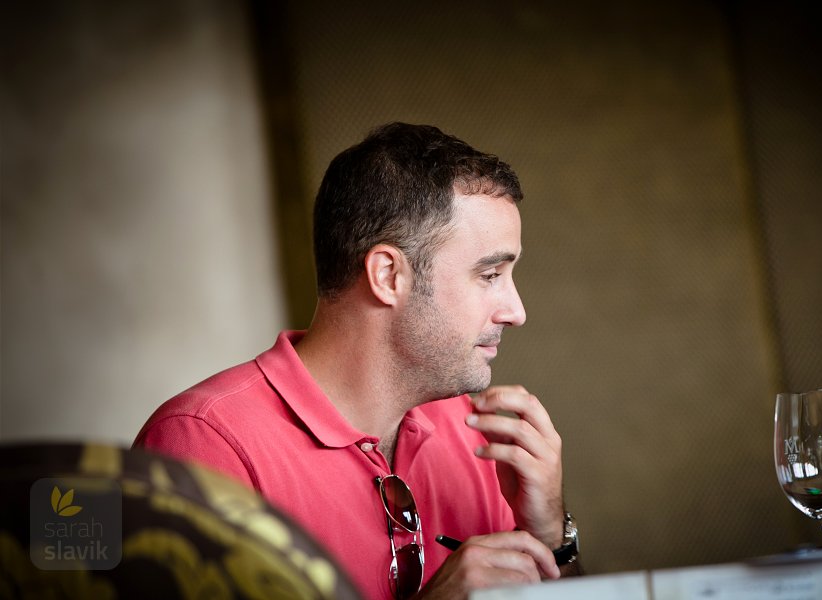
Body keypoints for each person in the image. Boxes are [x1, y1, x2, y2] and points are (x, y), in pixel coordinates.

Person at [134, 122, 580, 599]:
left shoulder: (477, 434)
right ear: (388, 275)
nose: (516, 311)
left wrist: (551, 535)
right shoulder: (204, 445)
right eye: (489, 274)